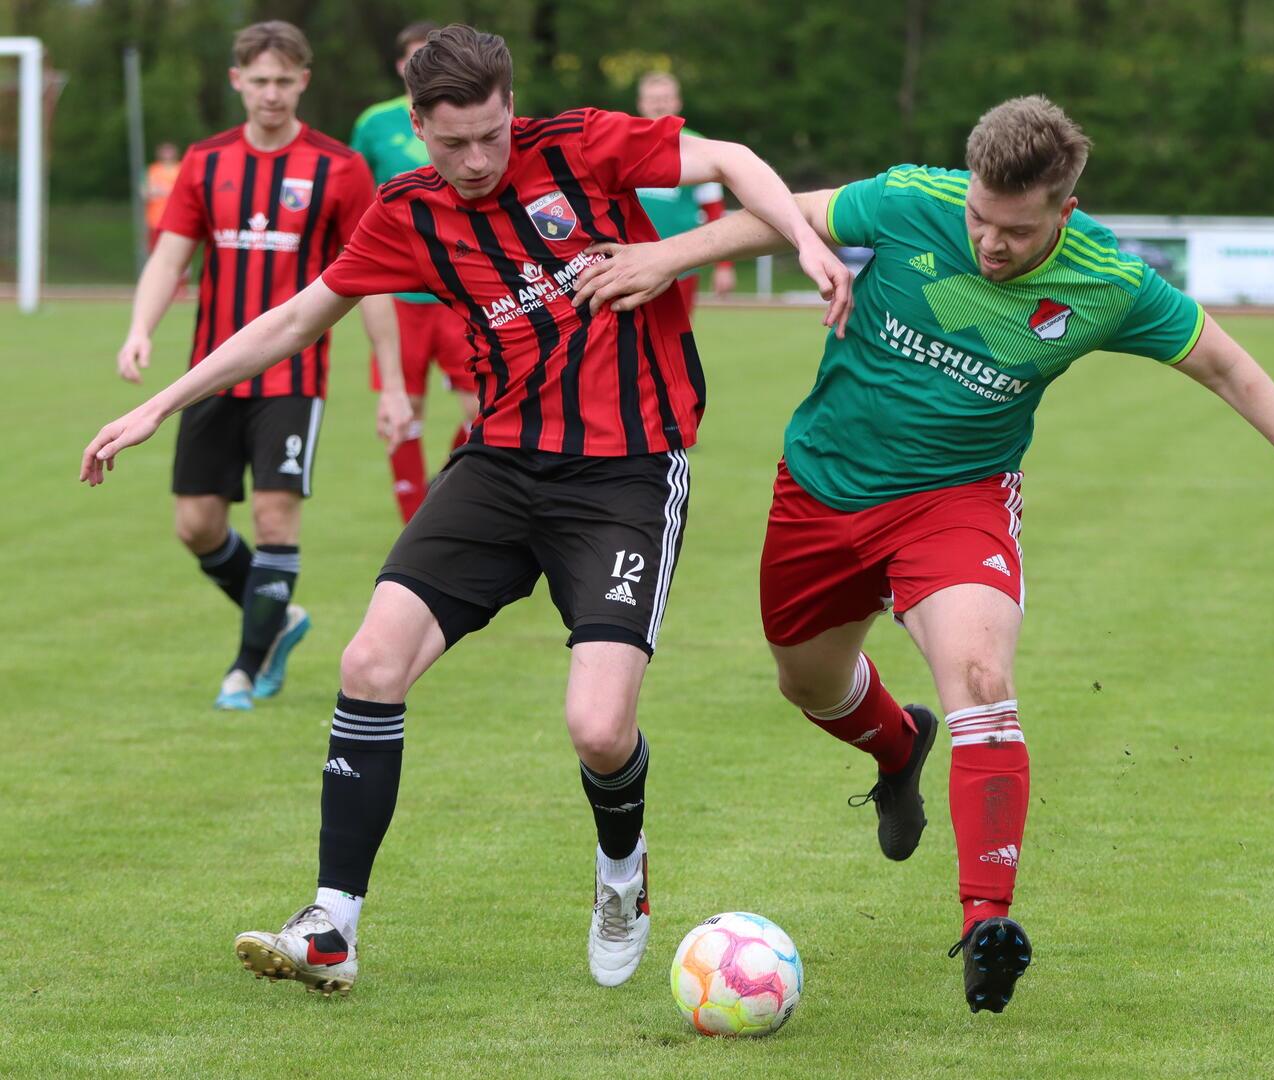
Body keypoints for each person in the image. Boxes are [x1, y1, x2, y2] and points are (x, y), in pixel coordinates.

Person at [574, 95, 1274, 1014]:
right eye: (979, 217)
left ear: (1064, 207)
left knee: (979, 674)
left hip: (958, 499)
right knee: (809, 683)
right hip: (820, 487)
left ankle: (987, 925)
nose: (989, 242)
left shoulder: (1111, 282)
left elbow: (1226, 366)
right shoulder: (911, 200)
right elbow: (785, 210)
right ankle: (898, 752)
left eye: (1015, 230)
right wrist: (667, 254)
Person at [82, 23, 848, 997]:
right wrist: (157, 404)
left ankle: (623, 875)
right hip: (496, 468)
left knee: (599, 730)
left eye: (492, 134)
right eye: (455, 144)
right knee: (368, 660)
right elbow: (290, 319)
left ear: (509, 108)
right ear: (418, 128)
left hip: (623, 479)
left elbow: (733, 159)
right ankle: (334, 923)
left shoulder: (581, 146)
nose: (479, 160)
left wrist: (801, 245)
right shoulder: (405, 213)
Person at [116, 20, 402, 712]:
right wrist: (139, 328)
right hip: (212, 372)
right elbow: (171, 255)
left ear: (303, 82)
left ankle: (246, 667)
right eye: (259, 81)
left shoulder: (339, 168)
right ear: (236, 82)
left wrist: (391, 382)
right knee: (197, 525)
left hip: (293, 379)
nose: (271, 94)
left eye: (284, 81)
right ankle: (279, 619)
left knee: (276, 518)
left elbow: (373, 280)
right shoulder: (205, 162)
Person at [352, 20, 482, 522]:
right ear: (400, 63)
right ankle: (413, 518)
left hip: (458, 290)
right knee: (403, 411)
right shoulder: (374, 123)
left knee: (482, 410)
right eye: (411, 55)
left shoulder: (470, 118)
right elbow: (355, 195)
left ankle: (441, 487)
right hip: (396, 295)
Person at [632, 72, 735, 312]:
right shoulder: (626, 144)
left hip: (681, 263)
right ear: (641, 104)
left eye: (666, 98)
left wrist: (724, 266)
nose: (659, 104)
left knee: (676, 339)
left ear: (677, 102)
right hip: (631, 260)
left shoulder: (698, 146)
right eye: (653, 99)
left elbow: (714, 210)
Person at [143, 142, 181, 250]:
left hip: (176, 220)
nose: (167, 154)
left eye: (169, 150)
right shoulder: (152, 169)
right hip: (155, 219)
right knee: (155, 251)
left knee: (177, 252)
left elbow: (183, 192)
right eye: (164, 151)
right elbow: (145, 192)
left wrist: (162, 190)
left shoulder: (181, 168)